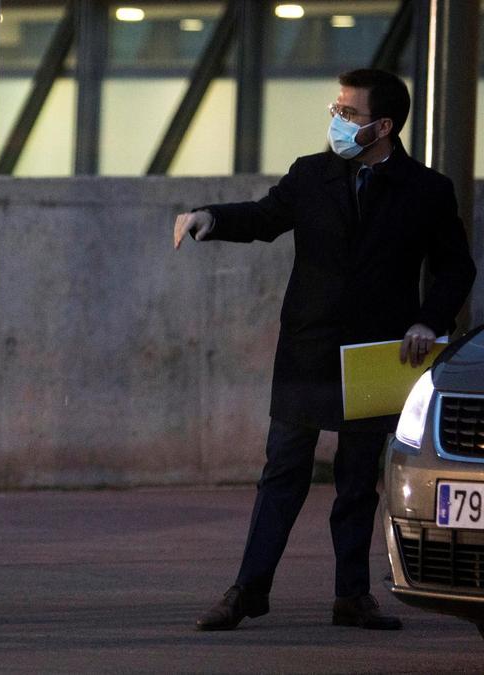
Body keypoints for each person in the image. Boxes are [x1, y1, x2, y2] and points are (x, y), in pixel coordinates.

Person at [173, 69, 475, 632]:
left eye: (349, 114)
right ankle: (247, 591)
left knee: (359, 479)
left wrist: (428, 322)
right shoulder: (312, 174)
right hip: (308, 349)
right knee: (282, 471)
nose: (337, 121)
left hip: (377, 353)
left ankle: (352, 596)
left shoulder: (427, 190)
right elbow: (265, 217)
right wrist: (209, 218)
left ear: (382, 126)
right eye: (335, 109)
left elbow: (457, 267)